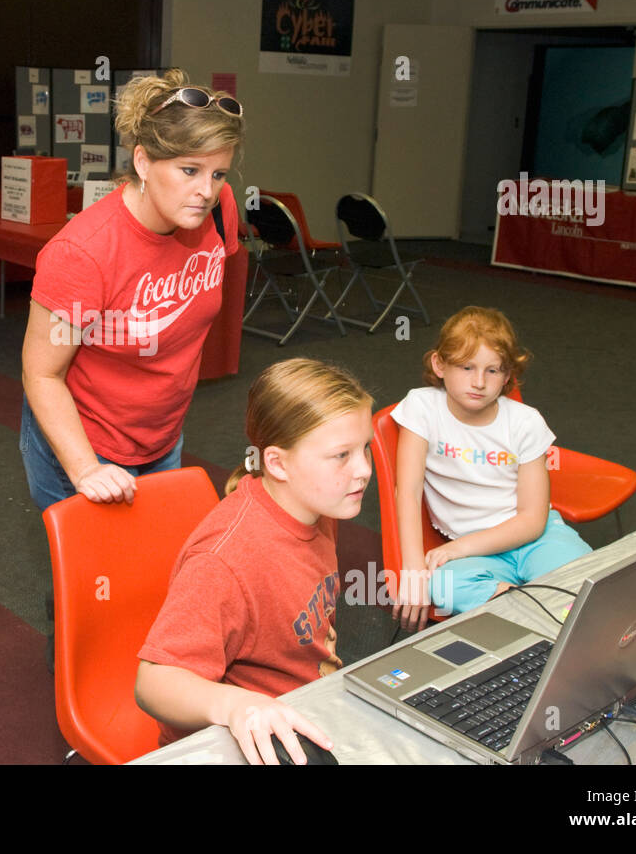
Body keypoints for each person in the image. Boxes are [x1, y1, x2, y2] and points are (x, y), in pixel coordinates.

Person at [20, 68, 244, 512]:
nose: (206, 190)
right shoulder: (84, 253)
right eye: (189, 170)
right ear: (142, 163)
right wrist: (86, 469)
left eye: (218, 173)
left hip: (161, 435)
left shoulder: (218, 210)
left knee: (157, 566)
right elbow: (41, 374)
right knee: (96, 577)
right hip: (87, 441)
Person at [135, 358, 373, 764]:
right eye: (341, 456)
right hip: (247, 736)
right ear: (278, 464)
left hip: (309, 702)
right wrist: (237, 706)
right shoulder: (224, 561)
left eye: (365, 448)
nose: (364, 470)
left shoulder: (319, 504)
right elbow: (153, 683)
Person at [390, 306, 592, 632]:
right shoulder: (421, 407)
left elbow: (532, 519)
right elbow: (408, 492)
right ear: (439, 365)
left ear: (508, 374)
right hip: (471, 552)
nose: (479, 382)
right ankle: (534, 616)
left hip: (535, 538)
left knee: (589, 577)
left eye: (493, 371)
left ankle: (532, 615)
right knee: (441, 586)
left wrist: (459, 548)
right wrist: (413, 570)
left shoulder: (526, 422)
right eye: (466, 367)